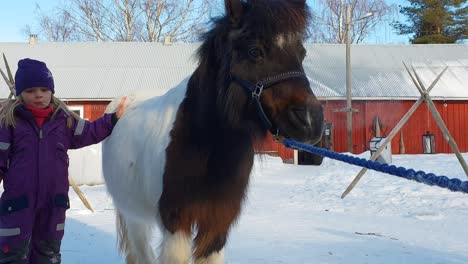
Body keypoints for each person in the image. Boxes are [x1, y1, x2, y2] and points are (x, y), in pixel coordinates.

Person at [0, 58, 126, 263]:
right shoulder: (9, 123)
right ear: (20, 93)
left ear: (51, 91)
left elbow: (90, 131)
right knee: (13, 255)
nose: (38, 94)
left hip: (53, 206)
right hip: (17, 206)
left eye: (43, 89)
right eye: (31, 90)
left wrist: (112, 119)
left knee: (48, 255)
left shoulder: (64, 121)